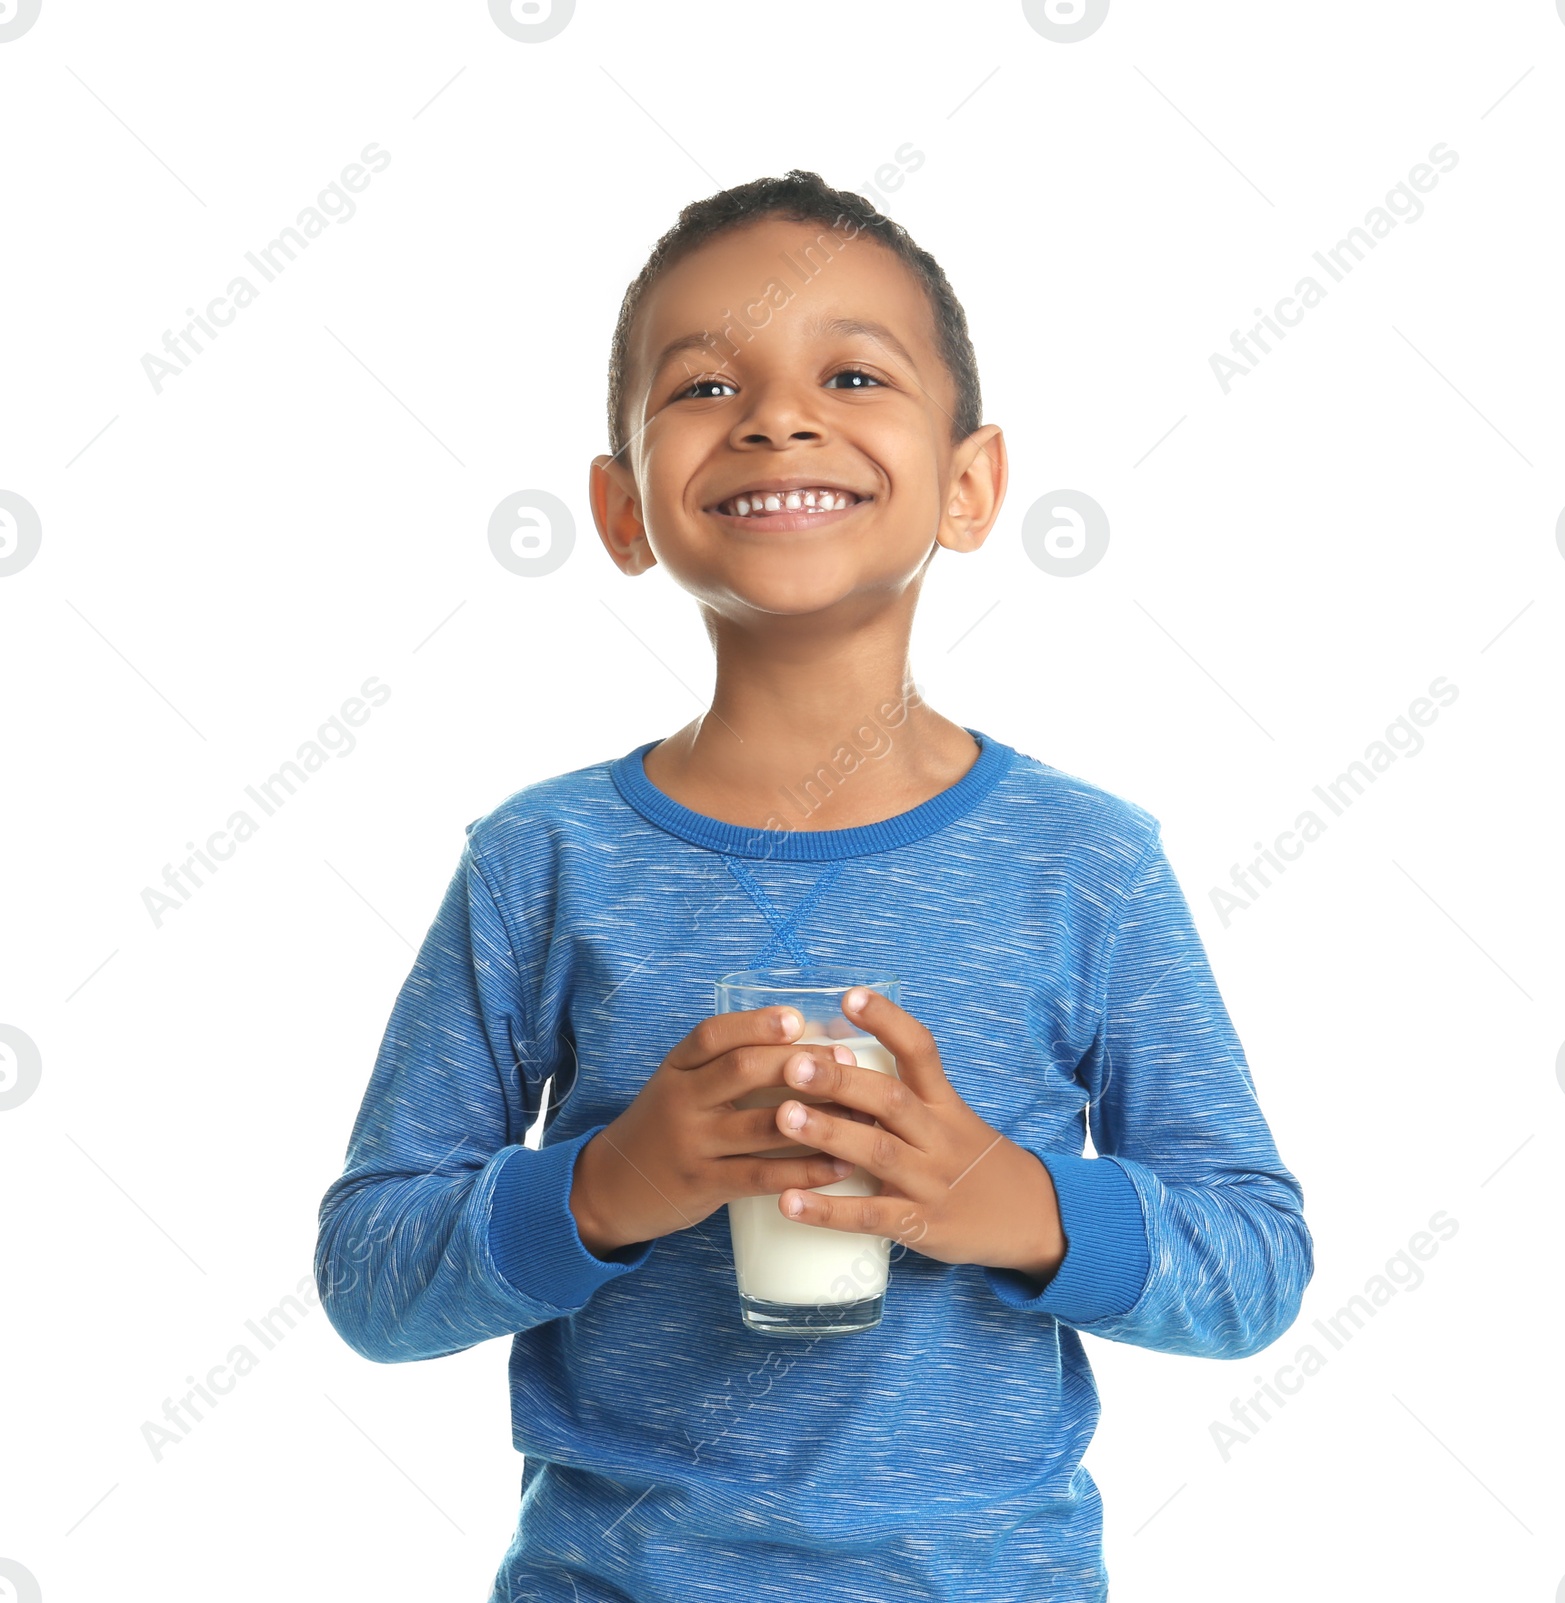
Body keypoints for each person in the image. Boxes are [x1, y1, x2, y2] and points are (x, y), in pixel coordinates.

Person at [314, 168, 1314, 1603]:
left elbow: (1256, 1265)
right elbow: (372, 1274)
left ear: (970, 485)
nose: (779, 417)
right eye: (705, 387)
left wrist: (1008, 1201)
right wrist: (609, 1185)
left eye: (852, 373)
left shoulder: (1084, 864)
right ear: (623, 509)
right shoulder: (543, 861)